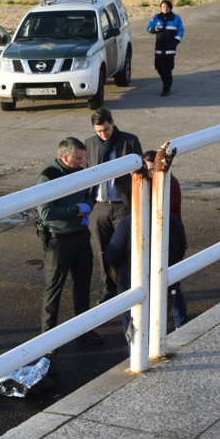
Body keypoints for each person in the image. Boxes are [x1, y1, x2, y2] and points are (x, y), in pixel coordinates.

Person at [36, 137, 104, 345]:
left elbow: (89, 196)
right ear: (65, 157)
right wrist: (76, 210)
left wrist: (88, 206)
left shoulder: (81, 172)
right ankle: (48, 339)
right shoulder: (48, 177)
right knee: (53, 289)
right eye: (79, 158)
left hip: (81, 238)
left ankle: (84, 330)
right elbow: (46, 213)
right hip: (59, 241)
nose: (83, 162)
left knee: (83, 286)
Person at [84, 108, 143, 305]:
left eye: (106, 129)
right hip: (99, 206)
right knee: (101, 251)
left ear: (113, 122)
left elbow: (140, 172)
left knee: (126, 250)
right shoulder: (90, 144)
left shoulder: (129, 141)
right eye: (99, 131)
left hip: (122, 205)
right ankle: (108, 289)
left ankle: (128, 286)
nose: (103, 134)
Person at [105, 200, 187, 341]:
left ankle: (139, 360)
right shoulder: (172, 220)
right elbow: (180, 251)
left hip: (133, 286)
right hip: (165, 285)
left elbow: (113, 257)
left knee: (136, 338)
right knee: (157, 331)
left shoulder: (128, 223)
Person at [142, 150, 189, 327]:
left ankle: (181, 324)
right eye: (147, 170)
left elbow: (161, 209)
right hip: (157, 241)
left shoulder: (170, 183)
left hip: (171, 242)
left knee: (172, 285)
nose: (150, 173)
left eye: (153, 169)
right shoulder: (149, 182)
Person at [147, 0, 184, 97]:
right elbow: (148, 28)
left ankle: (166, 88)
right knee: (158, 67)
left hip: (170, 48)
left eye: (167, 7)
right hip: (159, 48)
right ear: (161, 8)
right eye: (163, 7)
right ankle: (166, 82)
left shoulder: (176, 18)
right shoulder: (156, 17)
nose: (165, 8)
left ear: (170, 8)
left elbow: (181, 31)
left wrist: (175, 41)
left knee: (168, 69)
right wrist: (154, 29)